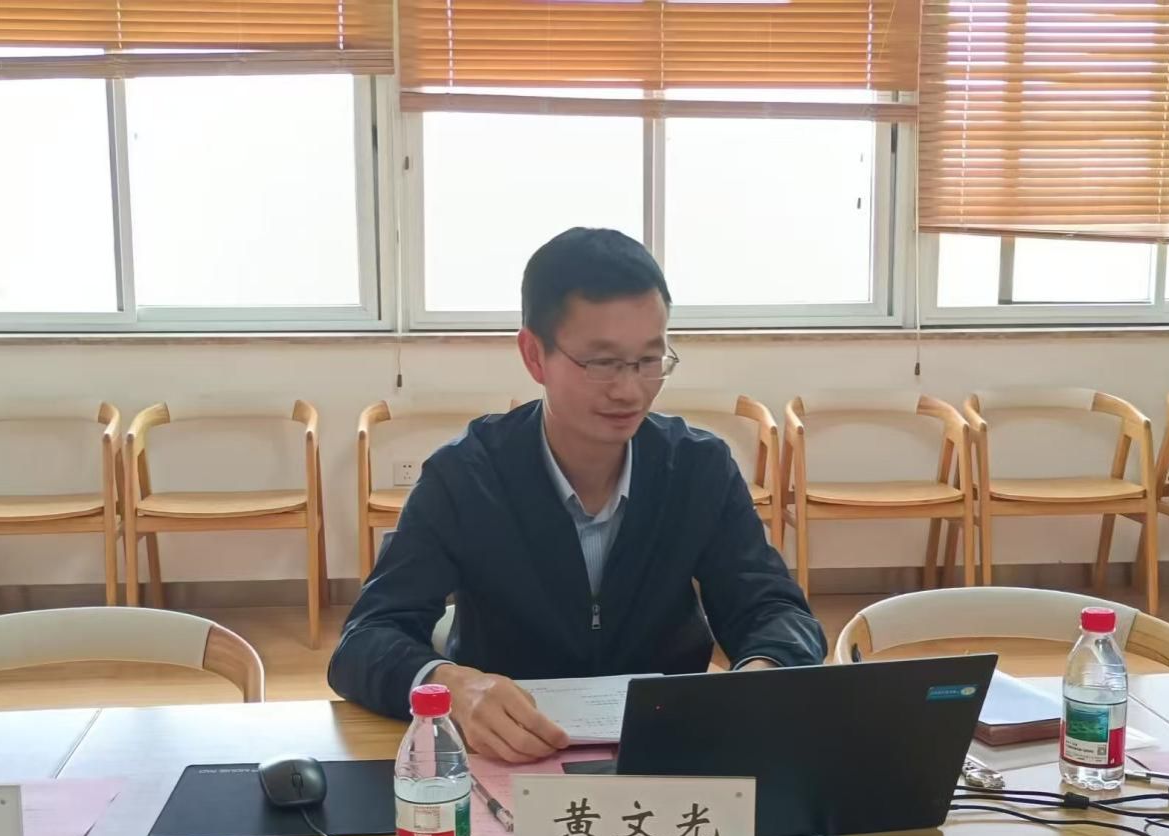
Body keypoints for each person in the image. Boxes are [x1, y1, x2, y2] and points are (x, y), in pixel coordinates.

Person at [328, 227, 825, 762]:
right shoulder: (466, 476)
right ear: (533, 355)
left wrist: (759, 677)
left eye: (650, 360)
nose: (629, 390)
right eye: (601, 363)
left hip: (665, 753)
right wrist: (452, 686)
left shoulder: (698, 468)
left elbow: (776, 613)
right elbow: (366, 639)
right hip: (507, 756)